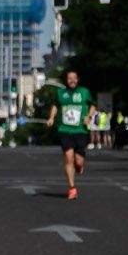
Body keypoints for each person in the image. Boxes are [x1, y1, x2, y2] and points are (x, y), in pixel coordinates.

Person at [47, 69, 94, 200]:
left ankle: (79, 167)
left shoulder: (84, 92)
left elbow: (92, 106)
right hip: (65, 130)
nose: (72, 80)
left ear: (78, 79)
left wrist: (89, 116)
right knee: (68, 158)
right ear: (66, 80)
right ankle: (72, 188)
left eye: (74, 78)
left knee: (78, 162)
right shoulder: (60, 93)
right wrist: (51, 117)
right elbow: (55, 106)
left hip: (80, 130)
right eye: (69, 78)